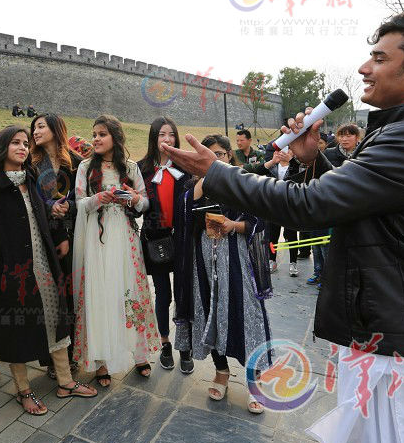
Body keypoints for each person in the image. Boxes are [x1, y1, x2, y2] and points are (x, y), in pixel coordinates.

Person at [163, 10, 404, 443]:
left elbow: (308, 205)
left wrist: (215, 173)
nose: (365, 69)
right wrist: (314, 160)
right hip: (390, 321)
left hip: (402, 335)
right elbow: (366, 195)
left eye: (380, 58)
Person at [0, 126, 97, 415]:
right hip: (12, 273)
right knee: (16, 328)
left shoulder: (31, 179)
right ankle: (23, 389)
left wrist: (59, 238)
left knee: (55, 317)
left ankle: (66, 381)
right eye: (15, 143)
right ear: (2, 147)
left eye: (24, 143)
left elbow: (43, 216)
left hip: (43, 264)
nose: (22, 147)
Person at [173, 134, 272, 413]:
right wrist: (206, 179)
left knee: (246, 316)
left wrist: (233, 225)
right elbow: (183, 214)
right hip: (204, 262)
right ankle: (221, 372)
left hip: (238, 259)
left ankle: (255, 380)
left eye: (220, 154)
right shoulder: (195, 186)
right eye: (209, 154)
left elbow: (259, 222)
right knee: (212, 315)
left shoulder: (243, 184)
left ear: (229, 156)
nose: (215, 159)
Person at [72, 114, 160, 386]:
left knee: (129, 290)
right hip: (97, 240)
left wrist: (133, 199)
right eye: (94, 133)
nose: (96, 139)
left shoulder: (131, 168)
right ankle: (100, 361)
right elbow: (79, 203)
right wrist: (98, 198)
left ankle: (139, 353)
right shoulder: (85, 167)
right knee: (100, 294)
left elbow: (145, 204)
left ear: (115, 138)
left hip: (124, 236)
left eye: (102, 134)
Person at [137, 117, 193, 373]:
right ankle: (165, 342)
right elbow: (137, 205)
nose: (167, 139)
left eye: (171, 134)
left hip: (182, 239)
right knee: (163, 294)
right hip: (155, 240)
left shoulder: (185, 167)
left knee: (183, 294)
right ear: (153, 138)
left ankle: (185, 345)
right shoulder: (141, 169)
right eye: (161, 135)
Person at [30, 113, 84, 378]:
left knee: (71, 294)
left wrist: (67, 208)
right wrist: (51, 207)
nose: (36, 131)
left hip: (73, 234)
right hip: (43, 237)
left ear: (55, 128)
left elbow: (84, 197)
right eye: (34, 128)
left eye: (41, 126)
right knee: (49, 296)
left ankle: (72, 350)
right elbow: (29, 198)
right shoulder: (31, 163)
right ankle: (51, 356)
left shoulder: (75, 163)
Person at [253, 148, 300, 276]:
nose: (284, 153)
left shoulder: (295, 166)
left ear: (293, 152)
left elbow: (299, 177)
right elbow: (257, 172)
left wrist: (292, 161)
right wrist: (273, 161)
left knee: (291, 235)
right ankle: (272, 260)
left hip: (289, 207)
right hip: (273, 206)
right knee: (273, 235)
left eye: (288, 150)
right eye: (281, 150)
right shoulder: (273, 166)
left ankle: (293, 262)